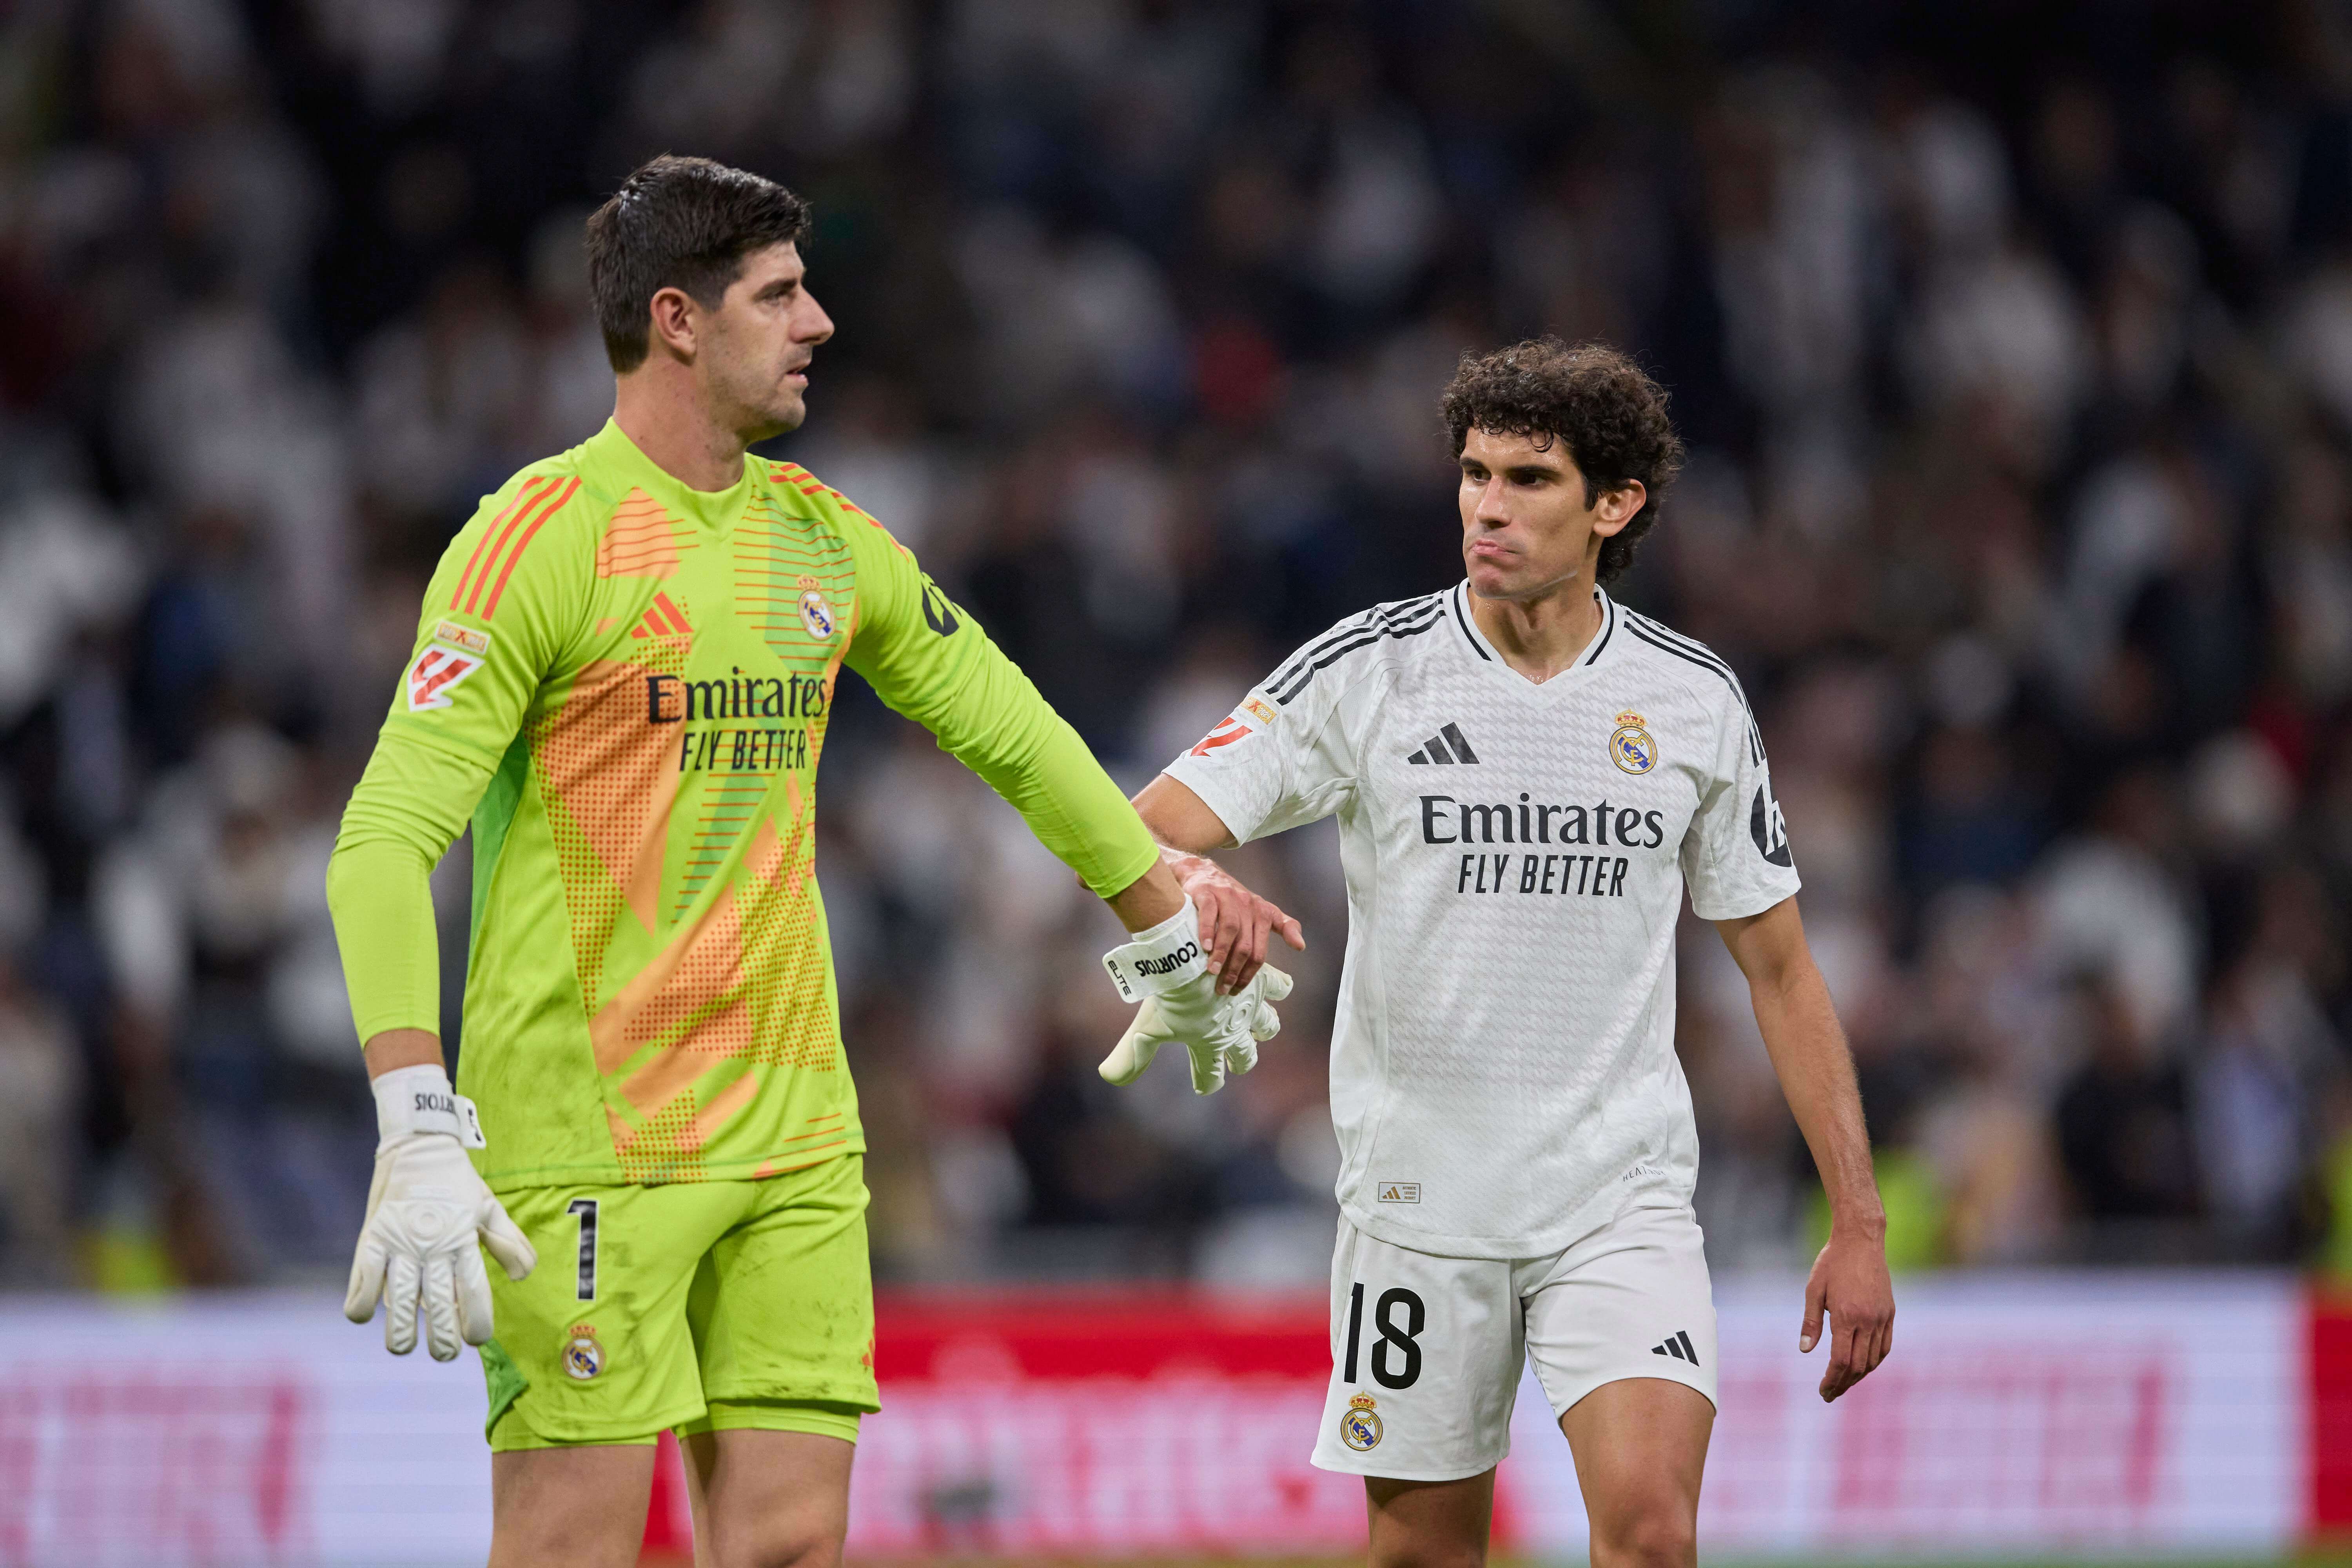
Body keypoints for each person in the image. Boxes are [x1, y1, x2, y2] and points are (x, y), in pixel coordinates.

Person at [325, 155, 1288, 1568]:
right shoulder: (537, 540)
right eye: (778, 295)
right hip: (590, 1145)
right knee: (570, 1552)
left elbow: (1010, 729)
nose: (819, 321)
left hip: (797, 1140)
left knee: (789, 1548)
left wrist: (1162, 907)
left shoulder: (822, 538)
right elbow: (381, 843)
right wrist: (415, 1113)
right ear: (676, 321)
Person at [1120, 339, 1895, 1568]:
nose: (1488, 505)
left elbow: (1783, 971)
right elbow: (1142, 826)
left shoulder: (1692, 701)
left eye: (1530, 479)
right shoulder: (1371, 668)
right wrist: (1200, 877)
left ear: (1614, 505)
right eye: (1475, 474)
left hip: (1620, 1198)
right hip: (1418, 1203)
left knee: (1651, 1534)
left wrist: (1860, 1220)